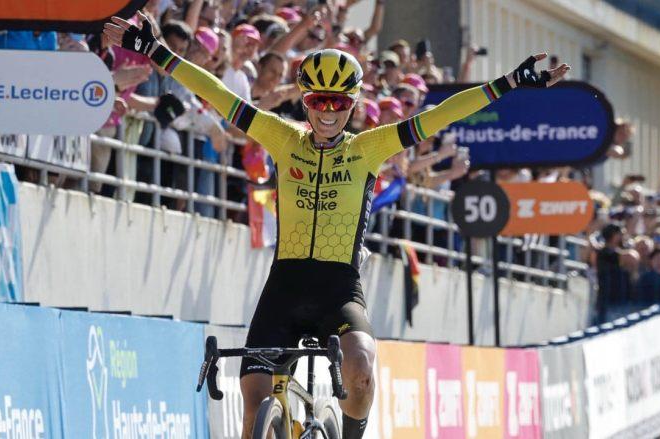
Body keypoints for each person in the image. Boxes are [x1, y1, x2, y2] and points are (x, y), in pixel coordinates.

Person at [103, 14, 569, 438]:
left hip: (339, 289)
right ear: (305, 101)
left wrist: (510, 83)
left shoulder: (369, 147)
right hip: (284, 286)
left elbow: (441, 115)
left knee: (362, 367)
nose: (328, 111)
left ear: (353, 104)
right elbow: (219, 95)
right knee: (254, 404)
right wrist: (156, 51)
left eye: (339, 103)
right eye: (319, 100)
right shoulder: (282, 138)